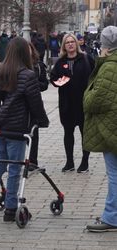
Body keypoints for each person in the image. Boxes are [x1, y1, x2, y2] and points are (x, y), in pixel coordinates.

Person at [0, 37, 49, 221]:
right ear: (24, 53)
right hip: (18, 129)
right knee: (16, 169)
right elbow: (35, 103)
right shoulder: (28, 74)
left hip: (2, 126)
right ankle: (10, 209)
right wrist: (43, 121)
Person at [84, 26, 117, 232]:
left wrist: (86, 96)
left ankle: (112, 217)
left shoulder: (110, 67)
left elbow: (96, 100)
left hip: (111, 129)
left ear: (106, 46)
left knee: (114, 174)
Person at [50, 33, 94, 173]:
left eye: (72, 42)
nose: (70, 44)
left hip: (83, 104)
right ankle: (69, 162)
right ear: (64, 46)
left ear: (77, 44)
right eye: (67, 42)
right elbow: (53, 79)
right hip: (66, 104)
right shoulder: (60, 62)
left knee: (84, 134)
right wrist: (62, 82)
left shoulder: (86, 59)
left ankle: (85, 162)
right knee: (68, 133)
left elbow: (95, 77)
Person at [28, 42, 49, 168]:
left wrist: (33, 84)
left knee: (33, 133)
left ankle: (32, 161)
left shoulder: (39, 66)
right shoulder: (16, 66)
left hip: (34, 102)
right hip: (19, 105)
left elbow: (45, 84)